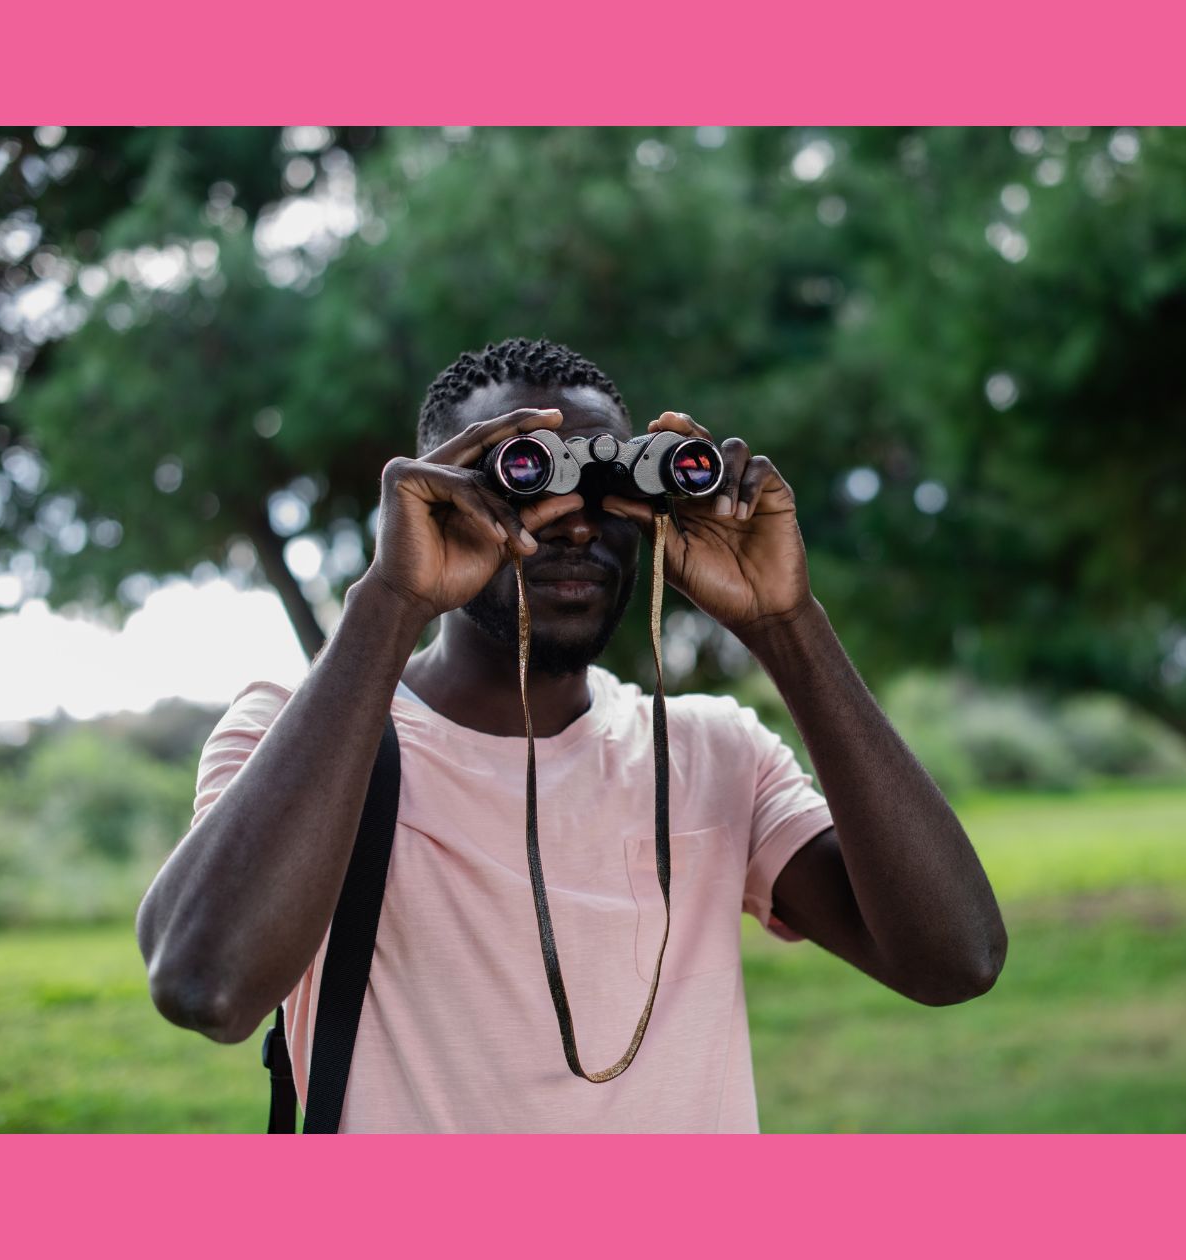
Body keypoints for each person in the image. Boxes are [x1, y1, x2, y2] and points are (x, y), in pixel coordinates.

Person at [135, 338, 1006, 1132]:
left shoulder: (710, 752)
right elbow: (206, 986)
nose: (579, 522)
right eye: (527, 479)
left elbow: (955, 960)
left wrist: (787, 623)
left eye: (608, 488)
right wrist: (390, 600)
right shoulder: (304, 735)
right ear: (435, 498)